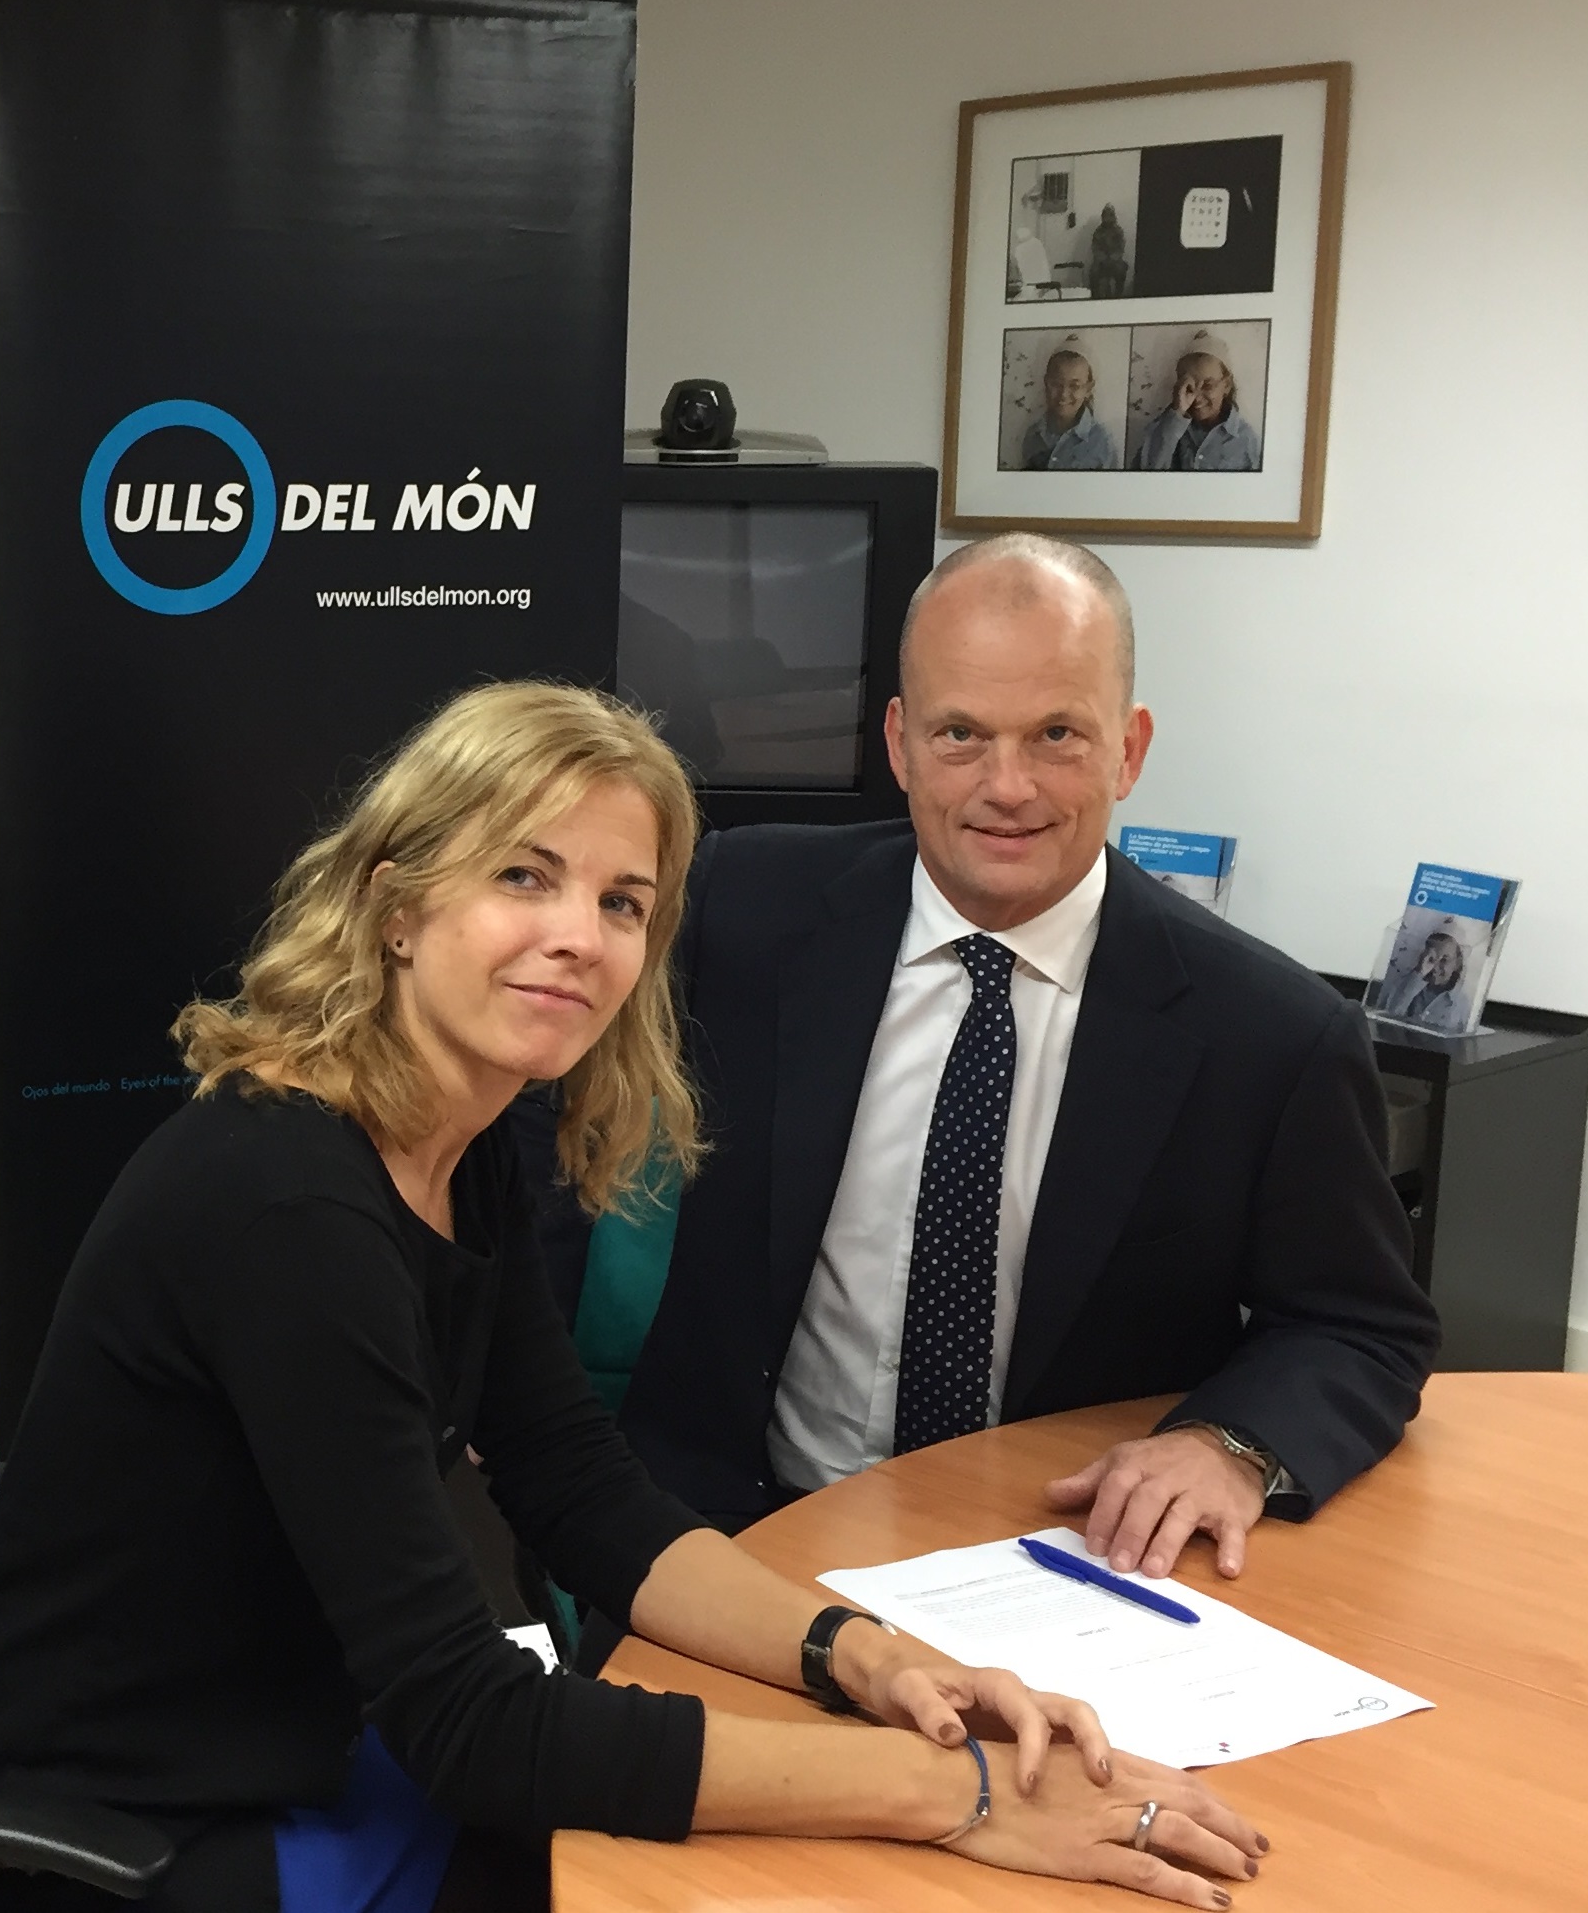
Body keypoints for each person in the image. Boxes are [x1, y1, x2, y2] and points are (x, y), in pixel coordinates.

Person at [0, 683, 1263, 1912]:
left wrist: (858, 1654)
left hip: (279, 1727)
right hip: (105, 1836)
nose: (578, 938)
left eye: (622, 902)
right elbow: (472, 1722)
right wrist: (953, 1795)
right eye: (523, 876)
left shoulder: (454, 1141)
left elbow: (575, 1487)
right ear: (395, 903)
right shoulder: (285, 1203)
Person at [588, 538, 1437, 1591]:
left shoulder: (1269, 1034)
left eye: (1054, 735)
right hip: (733, 1530)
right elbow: (547, 1101)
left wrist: (1229, 1444)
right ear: (897, 742)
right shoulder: (737, 908)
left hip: (1051, 1564)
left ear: (1127, 749)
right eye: (959, 733)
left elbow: (1359, 1325)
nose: (1006, 786)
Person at [1128, 334, 1261, 472]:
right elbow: (1143, 474)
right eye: (1189, 387)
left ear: (1226, 385)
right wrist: (1177, 413)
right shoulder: (1165, 429)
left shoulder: (1247, 440)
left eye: (1207, 386)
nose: (1196, 398)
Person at [1017, 343, 1118, 471]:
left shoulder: (1103, 443)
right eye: (1056, 384)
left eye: (1074, 386)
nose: (1063, 394)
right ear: (1046, 383)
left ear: (1088, 389)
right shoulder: (1033, 436)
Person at [1385, 926, 1472, 1034]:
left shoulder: (1461, 1003)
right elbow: (1389, 1018)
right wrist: (1418, 975)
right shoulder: (1406, 985)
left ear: (1457, 964)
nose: (1435, 967)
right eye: (1432, 958)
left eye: (1444, 960)